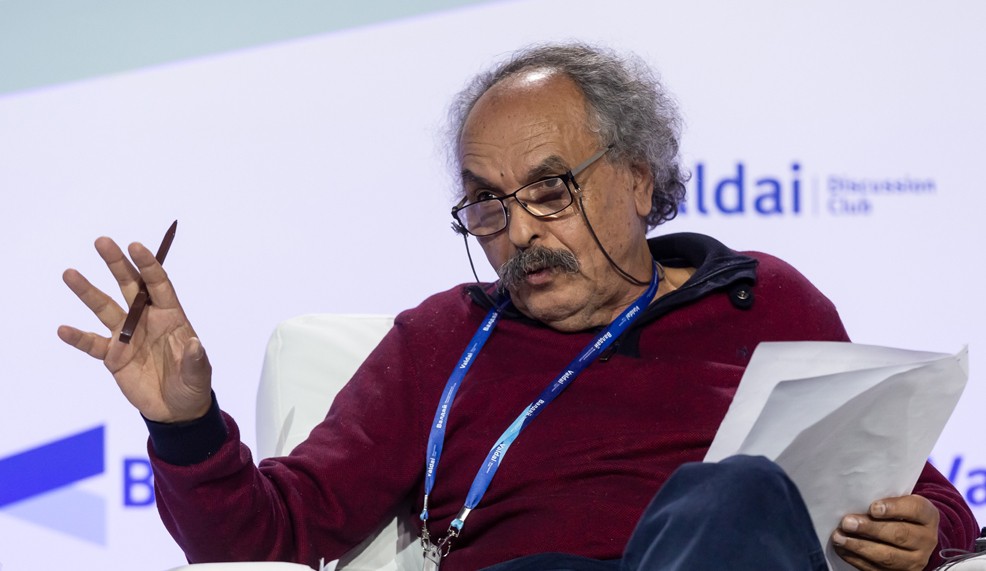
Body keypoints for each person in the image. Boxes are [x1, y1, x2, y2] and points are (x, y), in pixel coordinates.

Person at [59, 42, 977, 571]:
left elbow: (919, 492)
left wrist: (928, 532)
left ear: (638, 179)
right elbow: (269, 534)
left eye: (550, 189)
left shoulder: (762, 300)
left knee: (733, 496)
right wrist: (183, 425)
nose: (521, 231)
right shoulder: (442, 339)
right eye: (488, 204)